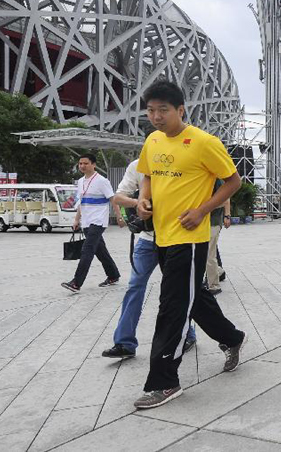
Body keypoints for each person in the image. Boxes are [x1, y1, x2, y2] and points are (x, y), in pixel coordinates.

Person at [133, 80, 246, 409]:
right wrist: (143, 199)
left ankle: (164, 381)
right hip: (162, 234)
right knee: (192, 299)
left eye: (163, 110)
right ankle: (232, 338)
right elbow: (148, 174)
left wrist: (202, 210)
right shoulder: (152, 140)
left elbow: (233, 181)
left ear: (181, 110)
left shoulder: (203, 142)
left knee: (171, 306)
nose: (155, 117)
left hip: (190, 237)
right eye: (151, 110)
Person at [101, 160, 196, 359]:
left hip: (174, 238)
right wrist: (139, 203)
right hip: (146, 239)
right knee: (134, 286)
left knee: (176, 290)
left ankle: (188, 333)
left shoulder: (180, 160)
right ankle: (124, 342)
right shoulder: (137, 166)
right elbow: (119, 197)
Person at [60, 154, 121, 293]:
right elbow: (82, 202)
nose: (82, 166)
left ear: (93, 164)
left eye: (85, 163)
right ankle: (113, 275)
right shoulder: (80, 181)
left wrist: (119, 217)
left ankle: (76, 283)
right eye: (80, 163)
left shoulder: (102, 181)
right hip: (86, 222)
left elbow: (113, 200)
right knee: (101, 251)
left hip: (98, 221)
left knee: (87, 250)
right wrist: (77, 219)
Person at [205, 180, 231, 295]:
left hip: (213, 221)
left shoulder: (216, 179)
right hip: (201, 221)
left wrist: (227, 216)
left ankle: (214, 285)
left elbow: (226, 199)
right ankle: (219, 271)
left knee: (209, 254)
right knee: (205, 252)